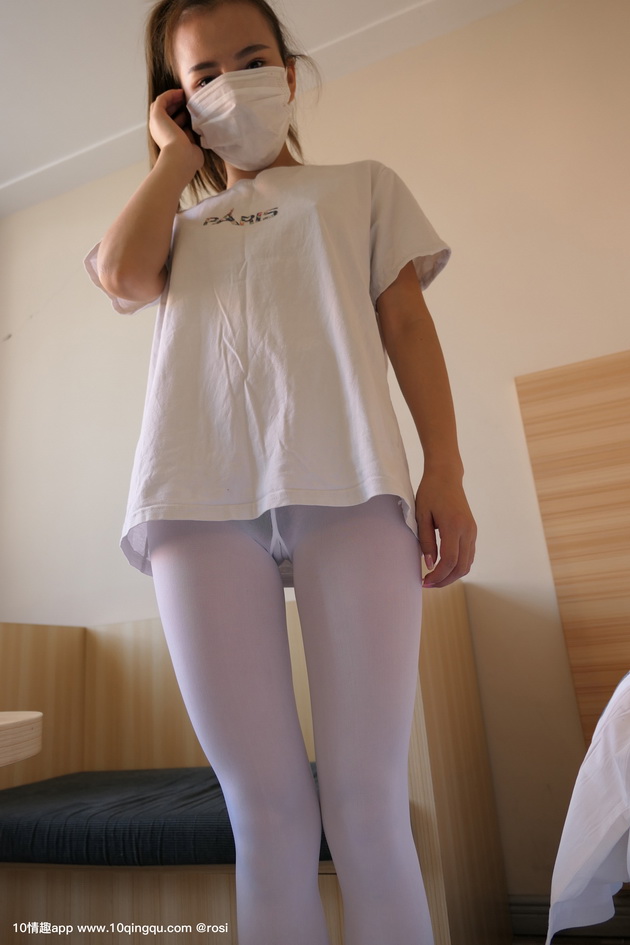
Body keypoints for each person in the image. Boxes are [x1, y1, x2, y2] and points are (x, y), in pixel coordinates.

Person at [84, 1, 477, 942]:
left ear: (290, 74)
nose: (233, 82)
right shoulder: (176, 224)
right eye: (204, 75)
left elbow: (407, 324)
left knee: (366, 804)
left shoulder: (361, 186)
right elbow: (123, 278)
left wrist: (446, 471)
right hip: (193, 499)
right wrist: (173, 160)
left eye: (252, 59)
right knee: (264, 815)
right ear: (176, 103)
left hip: (352, 480)